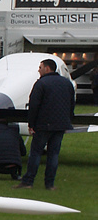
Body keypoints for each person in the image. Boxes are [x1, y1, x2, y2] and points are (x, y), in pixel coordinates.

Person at [16, 59, 74, 190]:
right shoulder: (66, 83)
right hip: (61, 124)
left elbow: (34, 105)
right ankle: (49, 184)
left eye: (40, 67)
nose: (38, 69)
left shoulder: (41, 83)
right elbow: (72, 103)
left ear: (47, 69)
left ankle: (28, 181)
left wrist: (31, 124)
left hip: (43, 124)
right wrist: (68, 120)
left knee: (35, 153)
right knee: (53, 154)